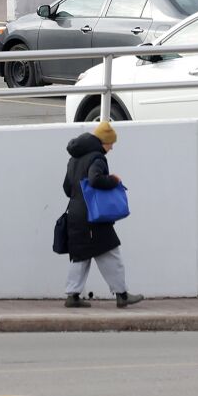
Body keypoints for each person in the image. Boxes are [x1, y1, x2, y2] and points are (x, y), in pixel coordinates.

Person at [61, 119, 142, 308]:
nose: (112, 148)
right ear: (104, 142)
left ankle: (72, 296)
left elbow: (66, 188)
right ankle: (122, 295)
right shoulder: (97, 157)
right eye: (111, 143)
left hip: (75, 214)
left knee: (80, 255)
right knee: (110, 253)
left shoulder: (73, 159)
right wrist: (113, 180)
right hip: (93, 217)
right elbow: (95, 180)